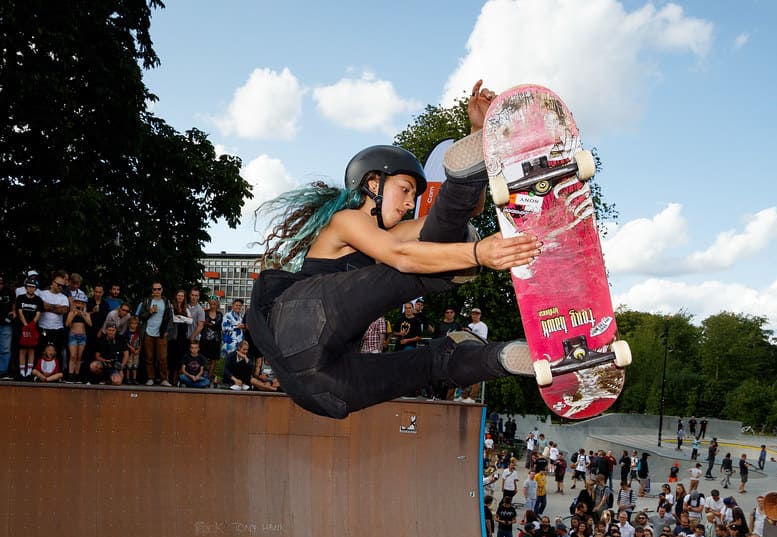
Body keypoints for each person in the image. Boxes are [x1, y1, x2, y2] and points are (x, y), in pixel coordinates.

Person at [245, 81, 538, 420]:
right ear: (373, 183)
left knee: (428, 365)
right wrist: (477, 255)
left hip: (322, 387)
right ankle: (461, 191)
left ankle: (498, 358)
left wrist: (479, 136)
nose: (409, 203)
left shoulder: (392, 234)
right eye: (405, 190)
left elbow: (450, 220)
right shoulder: (346, 220)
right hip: (299, 320)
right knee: (413, 268)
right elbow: (401, 258)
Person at [137, 281, 172, 386]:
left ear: (162, 290)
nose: (157, 291)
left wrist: (167, 330)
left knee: (163, 358)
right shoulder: (147, 301)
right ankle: (150, 378)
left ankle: (163, 379)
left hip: (161, 333)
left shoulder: (166, 301)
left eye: (159, 289)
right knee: (149, 357)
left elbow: (170, 318)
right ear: (152, 291)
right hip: (148, 332)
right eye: (154, 289)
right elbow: (141, 317)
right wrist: (150, 312)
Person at [15, 277, 42, 379]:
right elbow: (19, 312)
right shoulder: (20, 298)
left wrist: (32, 325)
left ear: (35, 288)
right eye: (29, 287)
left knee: (31, 349)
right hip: (22, 327)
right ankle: (22, 372)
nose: (31, 289)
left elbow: (38, 313)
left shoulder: (38, 300)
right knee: (22, 349)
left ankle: (29, 372)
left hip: (33, 327)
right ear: (26, 287)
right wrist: (26, 325)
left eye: (33, 287)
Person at [199, 299, 223, 384]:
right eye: (211, 304)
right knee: (203, 358)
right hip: (205, 339)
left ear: (217, 305)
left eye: (214, 304)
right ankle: (202, 375)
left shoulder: (219, 314)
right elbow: (202, 323)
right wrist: (208, 324)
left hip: (215, 340)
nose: (212, 306)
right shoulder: (205, 313)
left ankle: (209, 377)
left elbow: (218, 326)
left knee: (213, 359)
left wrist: (208, 324)